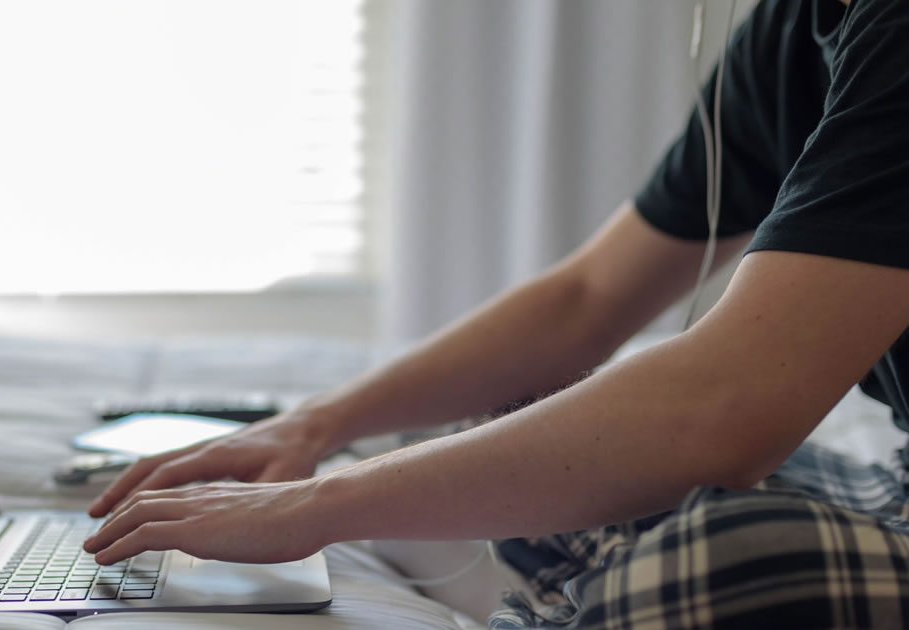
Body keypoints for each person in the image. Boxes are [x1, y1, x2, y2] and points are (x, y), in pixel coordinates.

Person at [84, 0, 909, 626]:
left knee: (725, 556)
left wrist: (315, 507)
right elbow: (584, 300)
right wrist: (316, 425)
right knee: (528, 436)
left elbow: (726, 410)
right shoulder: (795, 31)